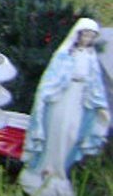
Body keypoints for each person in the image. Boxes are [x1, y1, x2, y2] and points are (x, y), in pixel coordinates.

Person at [19, 18, 109, 196]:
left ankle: (60, 174)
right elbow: (52, 79)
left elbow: (95, 83)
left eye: (91, 37)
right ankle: (42, 170)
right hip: (61, 98)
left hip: (79, 99)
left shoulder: (90, 57)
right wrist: (50, 93)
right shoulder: (65, 55)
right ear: (78, 35)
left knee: (71, 134)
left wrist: (100, 105)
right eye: (85, 35)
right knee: (55, 131)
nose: (87, 39)